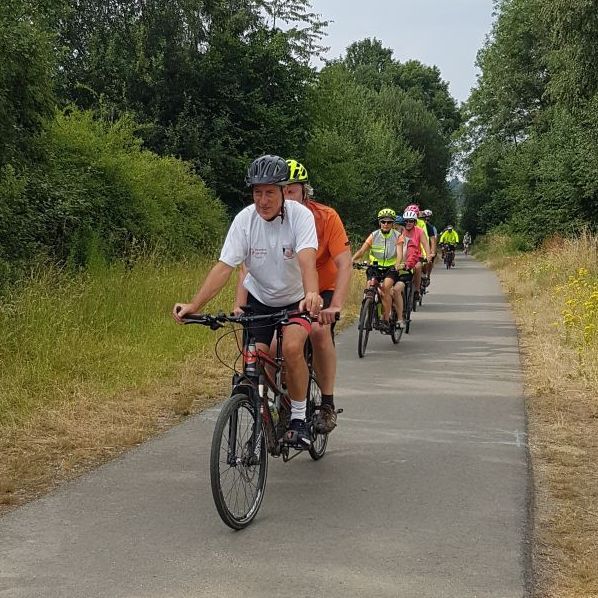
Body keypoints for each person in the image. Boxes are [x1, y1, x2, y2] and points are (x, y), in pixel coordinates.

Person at [173, 155, 322, 448]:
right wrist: (195, 305)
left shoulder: (300, 216)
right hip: (260, 300)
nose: (263, 200)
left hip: (295, 300)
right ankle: (266, 412)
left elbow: (307, 262)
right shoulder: (245, 219)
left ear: (283, 192)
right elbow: (224, 268)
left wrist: (313, 294)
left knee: (292, 348)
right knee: (255, 361)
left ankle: (299, 419)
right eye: (257, 192)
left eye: (269, 192)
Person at [265, 158, 351, 433]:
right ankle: (278, 403)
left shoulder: (326, 217)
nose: (286, 196)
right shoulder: (270, 219)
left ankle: (326, 403)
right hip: (290, 290)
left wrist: (335, 303)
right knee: (273, 348)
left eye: (292, 190)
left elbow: (344, 262)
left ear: (305, 191)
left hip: (321, 289)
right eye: (282, 190)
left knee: (318, 331)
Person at [352, 208, 402, 331]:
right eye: (383, 221)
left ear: (393, 224)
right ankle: (366, 312)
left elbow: (400, 254)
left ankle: (385, 318)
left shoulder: (398, 236)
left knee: (385, 289)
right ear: (379, 222)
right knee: (369, 287)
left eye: (389, 222)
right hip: (375, 267)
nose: (385, 224)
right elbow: (362, 250)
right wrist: (352, 260)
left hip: (390, 268)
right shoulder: (374, 235)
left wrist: (397, 264)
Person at [401, 209, 431, 296]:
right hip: (402, 257)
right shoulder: (401, 231)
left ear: (414, 222)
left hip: (416, 256)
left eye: (411, 221)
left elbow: (425, 244)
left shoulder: (419, 231)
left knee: (418, 267)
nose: (408, 223)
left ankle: (417, 291)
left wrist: (428, 255)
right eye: (406, 221)